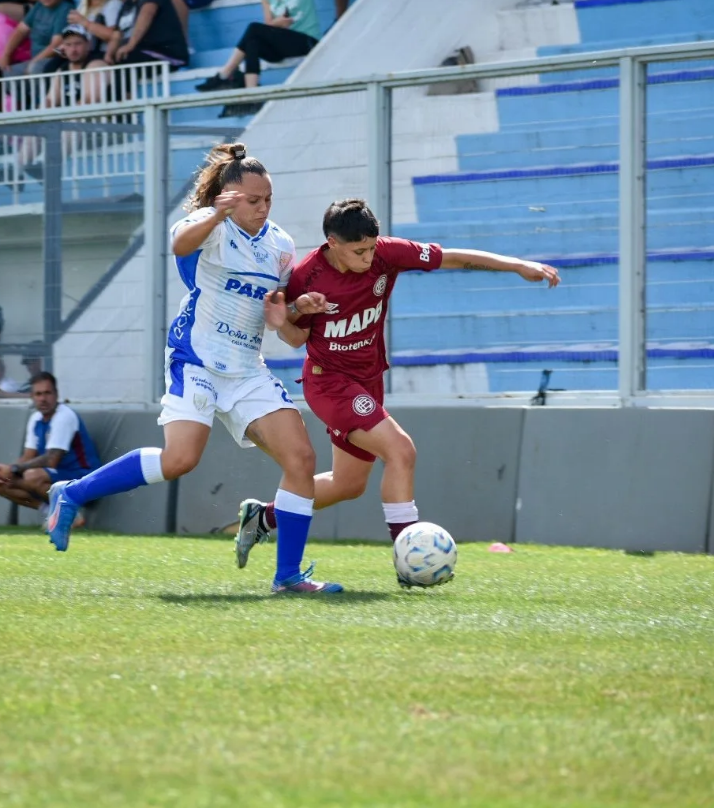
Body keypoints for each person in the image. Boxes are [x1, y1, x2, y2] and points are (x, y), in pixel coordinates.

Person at [46, 142, 342, 595]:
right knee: (179, 460)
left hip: (246, 368)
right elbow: (178, 244)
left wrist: (297, 308)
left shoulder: (281, 245)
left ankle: (288, 577)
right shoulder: (208, 224)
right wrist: (217, 214)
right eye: (253, 200)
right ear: (229, 197)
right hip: (197, 358)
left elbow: (279, 316)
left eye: (268, 199)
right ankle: (71, 492)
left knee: (301, 459)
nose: (263, 208)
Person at [235, 198, 561, 585]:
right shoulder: (308, 274)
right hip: (329, 382)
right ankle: (410, 564)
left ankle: (264, 517)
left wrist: (517, 265)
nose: (368, 257)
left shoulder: (386, 254)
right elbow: (294, 338)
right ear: (332, 243)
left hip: (368, 381)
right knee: (401, 450)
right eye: (359, 251)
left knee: (348, 485)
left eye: (372, 247)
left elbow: (451, 258)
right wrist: (292, 314)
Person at [0, 372, 100, 526]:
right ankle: (51, 512)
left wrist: (14, 469)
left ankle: (70, 512)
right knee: (2, 481)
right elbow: (28, 456)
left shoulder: (64, 416)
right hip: (56, 478)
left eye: (47, 393)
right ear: (32, 397)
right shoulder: (36, 419)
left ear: (56, 394)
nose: (43, 398)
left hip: (84, 478)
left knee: (32, 476)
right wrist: (7, 472)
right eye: (38, 394)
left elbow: (51, 460)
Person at [196, 0, 320, 114]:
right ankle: (252, 95)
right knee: (252, 41)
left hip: (306, 41)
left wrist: (277, 23)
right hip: (281, 45)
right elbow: (268, 24)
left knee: (253, 29)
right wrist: (278, 23)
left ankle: (224, 75)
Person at [105, 0, 188, 71]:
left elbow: (147, 14)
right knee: (107, 63)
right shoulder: (127, 6)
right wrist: (109, 53)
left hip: (166, 56)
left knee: (122, 63)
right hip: (141, 54)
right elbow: (117, 35)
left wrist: (130, 45)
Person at [0, 0, 73, 77]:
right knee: (4, 72)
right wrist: (6, 55)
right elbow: (21, 31)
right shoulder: (39, 6)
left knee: (35, 69)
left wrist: (34, 62)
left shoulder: (65, 9)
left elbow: (56, 45)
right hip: (32, 61)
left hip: (52, 61)